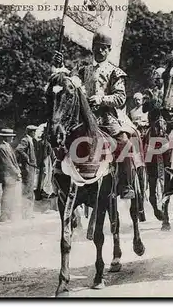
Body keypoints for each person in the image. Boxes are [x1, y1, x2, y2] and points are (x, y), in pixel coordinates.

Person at [53, 26, 137, 199]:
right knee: (59, 140)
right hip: (83, 118)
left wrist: (102, 98)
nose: (100, 50)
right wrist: (60, 67)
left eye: (103, 48)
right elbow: (70, 83)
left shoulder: (115, 72)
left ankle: (125, 185)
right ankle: (57, 178)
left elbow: (120, 98)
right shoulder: (83, 69)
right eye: (97, 47)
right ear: (92, 48)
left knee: (124, 143)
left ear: (109, 50)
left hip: (106, 118)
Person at [0, 128, 22, 222]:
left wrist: (17, 170)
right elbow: (7, 163)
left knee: (11, 195)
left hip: (11, 175)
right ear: (6, 138)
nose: (12, 138)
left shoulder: (8, 147)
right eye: (10, 137)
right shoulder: (2, 148)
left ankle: (9, 214)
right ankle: (4, 216)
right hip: (7, 175)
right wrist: (17, 172)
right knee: (7, 196)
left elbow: (13, 161)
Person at [16, 125, 38, 219]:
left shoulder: (31, 140)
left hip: (31, 168)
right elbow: (19, 149)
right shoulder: (25, 140)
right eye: (33, 131)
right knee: (27, 191)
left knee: (30, 190)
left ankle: (29, 212)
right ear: (30, 132)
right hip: (27, 169)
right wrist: (27, 158)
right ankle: (25, 213)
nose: (35, 133)